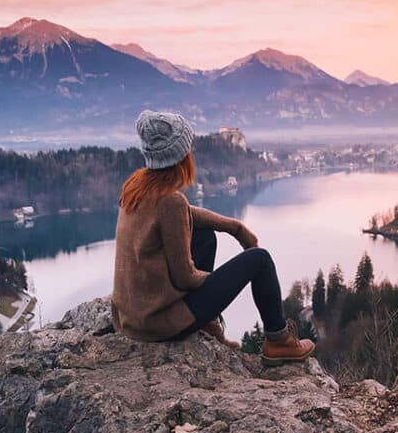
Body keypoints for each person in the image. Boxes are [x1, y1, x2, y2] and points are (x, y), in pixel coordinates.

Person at [111, 110, 315, 366]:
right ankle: (278, 341)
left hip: (131, 318)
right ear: (181, 155)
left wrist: (234, 227)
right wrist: (220, 284)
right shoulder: (170, 201)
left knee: (205, 236)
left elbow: (185, 214)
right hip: (158, 324)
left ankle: (205, 323)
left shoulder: (137, 186)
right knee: (259, 260)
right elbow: (185, 277)